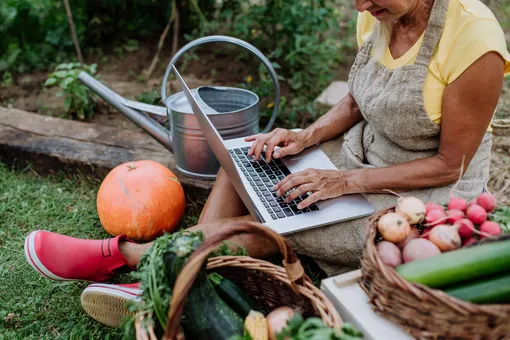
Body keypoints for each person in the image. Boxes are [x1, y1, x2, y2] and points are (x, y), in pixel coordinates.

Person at [24, 0, 510, 328]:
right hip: (365, 153)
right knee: (248, 155)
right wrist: (306, 136)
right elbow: (360, 100)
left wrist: (343, 180)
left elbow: (450, 163)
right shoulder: (379, 9)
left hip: (424, 194)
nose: (361, 6)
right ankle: (179, 274)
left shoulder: (473, 40)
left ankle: (129, 257)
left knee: (283, 225)